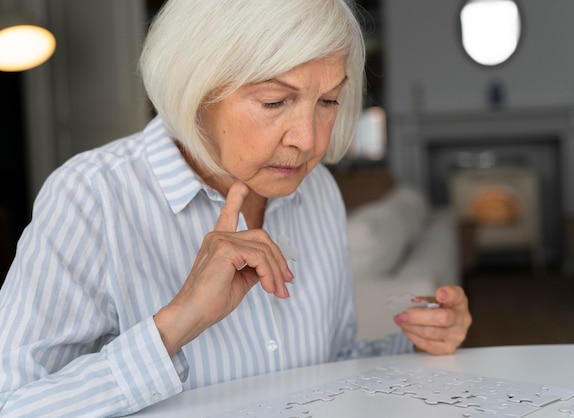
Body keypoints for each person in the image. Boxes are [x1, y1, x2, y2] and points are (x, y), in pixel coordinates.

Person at [0, 0, 471, 416]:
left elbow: (330, 364)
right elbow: (15, 405)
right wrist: (177, 323)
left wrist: (413, 342)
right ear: (197, 90)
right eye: (274, 101)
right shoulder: (92, 198)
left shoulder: (318, 190)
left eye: (328, 101)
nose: (308, 139)